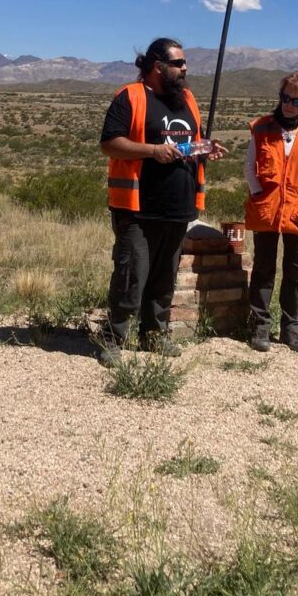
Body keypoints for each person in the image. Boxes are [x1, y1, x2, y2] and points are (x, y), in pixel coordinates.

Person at [99, 38, 227, 367]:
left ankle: (153, 336)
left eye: (184, 63)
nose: (185, 68)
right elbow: (110, 144)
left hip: (178, 206)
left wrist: (205, 148)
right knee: (132, 274)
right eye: (178, 63)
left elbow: (189, 143)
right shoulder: (130, 96)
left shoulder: (186, 99)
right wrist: (153, 151)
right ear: (158, 66)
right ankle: (113, 337)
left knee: (163, 278)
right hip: (138, 205)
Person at [244, 73, 298, 354]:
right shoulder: (262, 128)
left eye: (296, 100)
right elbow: (249, 166)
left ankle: (292, 329)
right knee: (263, 270)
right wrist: (258, 193)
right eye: (285, 98)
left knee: (296, 272)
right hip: (267, 209)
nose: (289, 105)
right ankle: (260, 327)